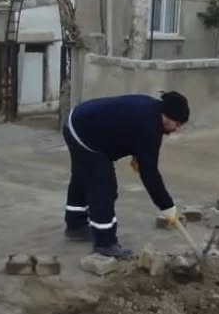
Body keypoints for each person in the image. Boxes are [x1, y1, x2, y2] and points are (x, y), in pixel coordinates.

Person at [63, 91, 190, 258]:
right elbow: (150, 175)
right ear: (166, 116)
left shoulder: (152, 111)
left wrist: (139, 155)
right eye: (177, 124)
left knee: (83, 175)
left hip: (78, 122)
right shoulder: (150, 126)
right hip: (83, 132)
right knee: (103, 186)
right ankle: (105, 243)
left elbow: (132, 130)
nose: (177, 129)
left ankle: (75, 226)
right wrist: (168, 207)